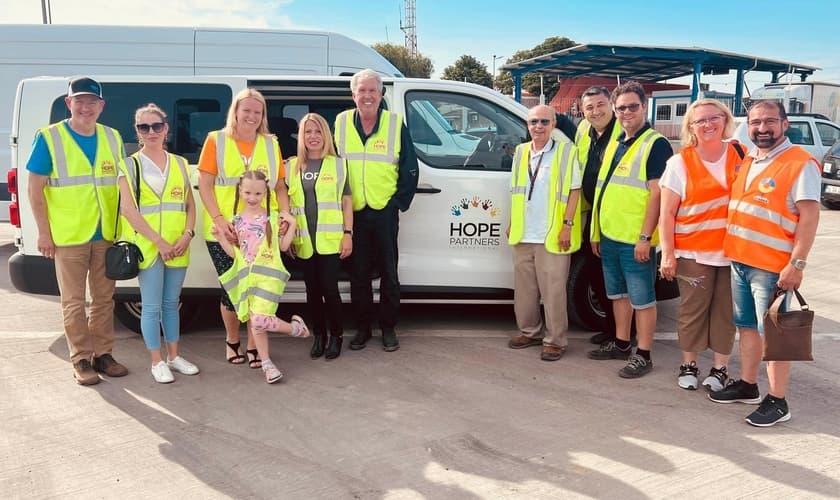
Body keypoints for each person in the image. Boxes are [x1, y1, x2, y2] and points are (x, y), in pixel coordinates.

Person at [709, 100, 820, 427]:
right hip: (741, 261)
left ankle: (778, 399)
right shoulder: (749, 160)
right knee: (747, 328)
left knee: (774, 334)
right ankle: (748, 384)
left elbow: (810, 216)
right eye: (756, 122)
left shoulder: (800, 163)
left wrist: (796, 264)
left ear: (785, 124)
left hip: (773, 267)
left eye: (770, 121)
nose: (762, 128)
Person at [26, 77, 129, 385]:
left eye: (91, 102)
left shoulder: (113, 137)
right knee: (73, 301)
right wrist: (43, 232)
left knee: (103, 300)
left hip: (105, 234)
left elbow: (122, 186)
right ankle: (81, 359)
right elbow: (34, 190)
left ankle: (103, 355)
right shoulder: (50, 137)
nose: (86, 107)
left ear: (101, 105)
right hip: (68, 236)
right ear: (69, 103)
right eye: (79, 101)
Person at [197, 88, 288, 369]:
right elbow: (205, 184)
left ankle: (253, 345)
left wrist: (284, 213)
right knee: (232, 289)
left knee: (257, 290)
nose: (251, 116)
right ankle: (232, 340)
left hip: (262, 231)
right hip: (225, 230)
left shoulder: (271, 144)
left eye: (257, 112)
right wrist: (218, 219)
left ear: (263, 116)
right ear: (235, 111)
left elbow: (281, 187)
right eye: (246, 110)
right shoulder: (216, 140)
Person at [588, 81, 673, 378]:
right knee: (618, 297)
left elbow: (656, 194)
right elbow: (603, 189)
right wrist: (597, 233)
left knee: (643, 300)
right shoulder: (616, 142)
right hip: (610, 235)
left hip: (636, 239)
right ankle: (621, 343)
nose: (626, 112)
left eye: (632, 106)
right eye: (621, 107)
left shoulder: (655, 144)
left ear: (644, 107)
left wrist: (645, 237)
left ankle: (644, 354)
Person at [659, 99, 742, 391]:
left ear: (725, 119)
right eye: (700, 121)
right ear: (691, 128)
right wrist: (667, 254)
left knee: (725, 313)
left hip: (733, 252)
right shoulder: (679, 162)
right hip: (693, 252)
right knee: (692, 311)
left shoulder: (742, 155)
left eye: (713, 118)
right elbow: (666, 213)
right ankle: (689, 363)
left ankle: (720, 368)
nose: (708, 125)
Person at [334, 68, 419, 352]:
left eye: (373, 90)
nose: (367, 95)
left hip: (384, 211)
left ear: (381, 95)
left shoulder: (395, 124)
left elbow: (410, 167)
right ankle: (362, 329)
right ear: (353, 94)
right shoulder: (341, 122)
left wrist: (397, 203)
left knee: (388, 274)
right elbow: (331, 162)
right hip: (353, 211)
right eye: (362, 90)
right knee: (358, 275)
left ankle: (388, 328)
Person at [117, 103, 199, 384]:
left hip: (178, 246)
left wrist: (187, 235)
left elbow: (190, 205)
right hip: (150, 248)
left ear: (166, 128)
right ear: (137, 131)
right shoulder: (129, 165)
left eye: (156, 126)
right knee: (151, 307)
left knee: (171, 303)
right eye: (144, 127)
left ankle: (174, 357)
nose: (151, 132)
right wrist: (160, 242)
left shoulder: (180, 163)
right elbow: (129, 210)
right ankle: (156, 361)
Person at [214, 170, 310, 384]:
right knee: (257, 323)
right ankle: (267, 365)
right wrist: (221, 238)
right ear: (240, 191)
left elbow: (283, 247)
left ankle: (296, 329)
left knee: (259, 319)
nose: (252, 197)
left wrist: (292, 225)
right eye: (247, 192)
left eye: (258, 193)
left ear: (265, 193)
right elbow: (236, 254)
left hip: (270, 279)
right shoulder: (236, 221)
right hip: (249, 279)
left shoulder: (273, 219)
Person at [506, 105, 582, 361]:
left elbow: (574, 191)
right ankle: (529, 332)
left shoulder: (565, 152)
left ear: (554, 125)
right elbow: (515, 191)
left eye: (544, 122)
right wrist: (511, 221)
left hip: (551, 233)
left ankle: (555, 341)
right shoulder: (520, 152)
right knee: (525, 290)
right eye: (533, 121)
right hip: (523, 232)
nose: (538, 126)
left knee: (553, 291)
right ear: (527, 125)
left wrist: (567, 226)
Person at [575, 85, 637, 347]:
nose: (595, 111)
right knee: (598, 276)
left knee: (620, 283)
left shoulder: (624, 133)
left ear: (610, 106)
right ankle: (612, 329)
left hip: (619, 218)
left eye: (601, 105)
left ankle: (624, 334)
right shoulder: (583, 131)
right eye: (589, 107)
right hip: (594, 215)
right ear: (582, 110)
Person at [287, 113, 353, 360]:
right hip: (304, 241)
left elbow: (347, 202)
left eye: (318, 132)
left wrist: (348, 234)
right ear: (301, 137)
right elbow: (287, 205)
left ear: (326, 135)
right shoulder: (291, 166)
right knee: (311, 291)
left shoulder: (338, 164)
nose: (313, 137)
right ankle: (319, 336)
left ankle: (336, 337)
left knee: (330, 289)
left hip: (330, 240)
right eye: (307, 132)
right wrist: (290, 237)